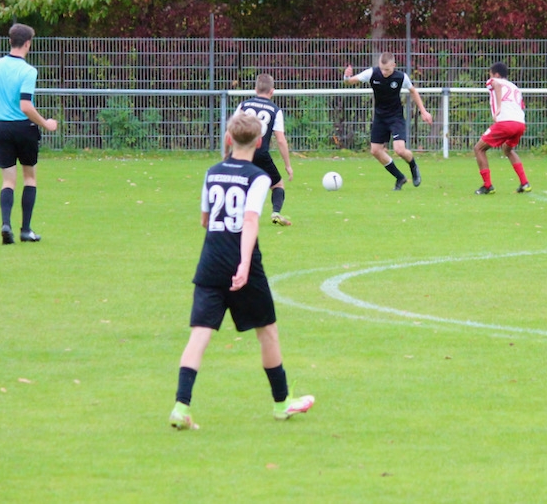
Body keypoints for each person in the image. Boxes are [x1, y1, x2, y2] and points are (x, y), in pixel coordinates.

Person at [170, 111, 314, 430]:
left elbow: (205, 220)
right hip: (242, 260)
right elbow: (249, 220)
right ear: (259, 142)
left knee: (200, 334)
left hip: (211, 259)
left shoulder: (212, 172)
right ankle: (281, 403)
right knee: (267, 331)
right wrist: (244, 264)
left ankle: (181, 407)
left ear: (228, 139)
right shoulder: (258, 177)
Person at [0, 23, 59, 244]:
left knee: (8, 181)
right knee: (30, 178)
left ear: (10, 41)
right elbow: (26, 106)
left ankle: (5, 224)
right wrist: (46, 124)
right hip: (24, 129)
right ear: (28, 44)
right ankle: (25, 230)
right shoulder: (28, 71)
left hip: (2, 129)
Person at [342, 52, 433, 191]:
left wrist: (424, 111)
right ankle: (400, 177)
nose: (384, 72)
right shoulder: (372, 73)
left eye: (387, 70)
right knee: (375, 151)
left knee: (399, 150)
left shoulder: (401, 77)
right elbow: (349, 82)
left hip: (396, 117)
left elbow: (413, 91)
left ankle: (413, 165)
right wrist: (346, 77)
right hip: (380, 117)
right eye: (382, 69)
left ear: (394, 66)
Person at [231, 74, 294, 226]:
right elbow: (280, 140)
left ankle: (234, 214)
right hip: (261, 154)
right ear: (272, 91)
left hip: (242, 152)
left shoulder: (244, 105)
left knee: (240, 183)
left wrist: (228, 153)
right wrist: (287, 165)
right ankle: (276, 212)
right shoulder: (275, 110)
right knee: (277, 185)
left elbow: (231, 129)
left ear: (255, 89)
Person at [473, 62, 531, 195]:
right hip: (520, 123)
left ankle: (487, 185)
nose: (489, 77)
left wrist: (499, 107)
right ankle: (524, 183)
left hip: (506, 123)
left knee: (479, 149)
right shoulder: (515, 88)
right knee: (507, 149)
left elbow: (497, 85)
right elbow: (521, 106)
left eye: (490, 74)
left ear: (496, 75)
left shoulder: (495, 81)